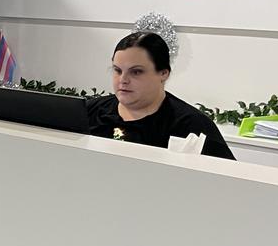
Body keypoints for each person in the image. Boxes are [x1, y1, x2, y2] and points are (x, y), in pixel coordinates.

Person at [86, 32, 234, 160]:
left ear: (163, 73)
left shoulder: (191, 125)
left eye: (136, 72)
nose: (123, 80)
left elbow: (229, 181)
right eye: (117, 70)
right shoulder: (89, 112)